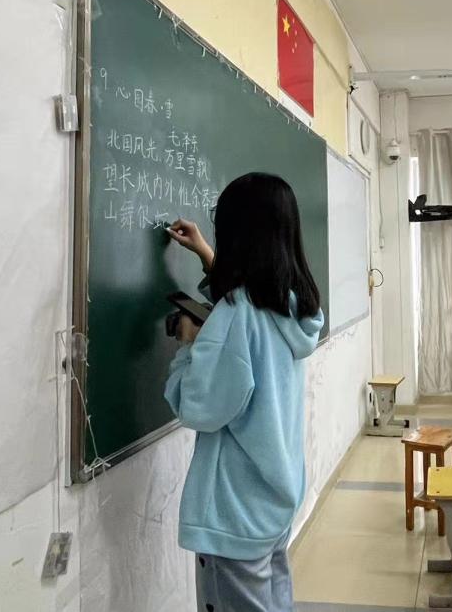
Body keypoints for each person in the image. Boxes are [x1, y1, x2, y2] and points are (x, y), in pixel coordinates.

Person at [164, 172, 324, 612]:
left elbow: (197, 407)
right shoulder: (292, 305)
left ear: (237, 235)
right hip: (276, 493)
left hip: (235, 509)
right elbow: (249, 307)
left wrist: (188, 345)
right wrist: (207, 257)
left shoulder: (235, 316)